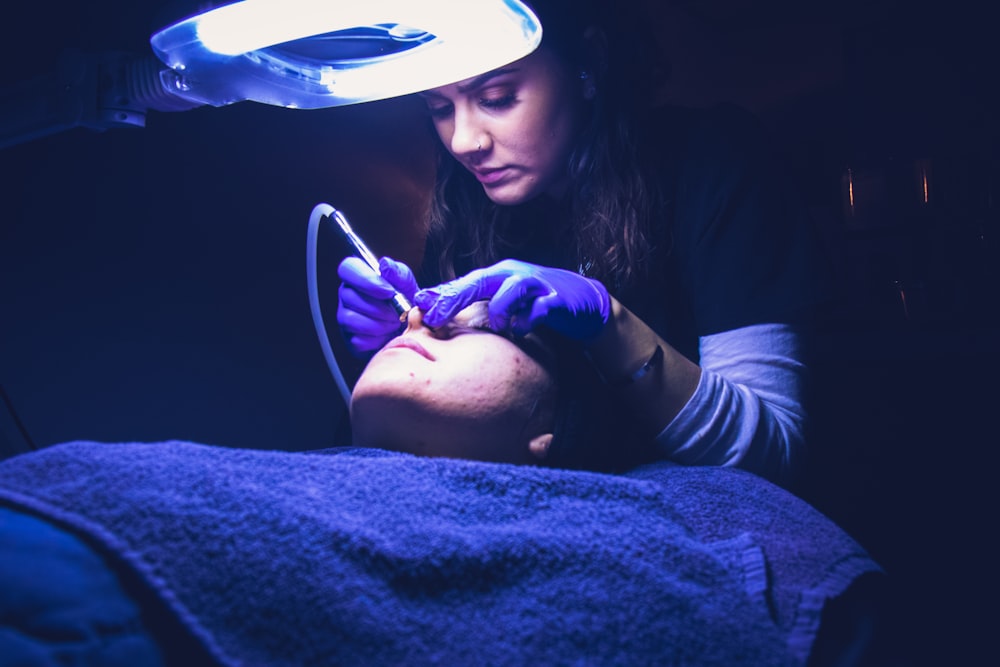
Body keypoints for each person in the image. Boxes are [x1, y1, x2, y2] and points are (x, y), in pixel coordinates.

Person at [337, 0, 830, 487]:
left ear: (587, 64)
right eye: (439, 108)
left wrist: (608, 325)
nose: (464, 141)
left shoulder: (713, 166)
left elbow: (775, 453)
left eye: (497, 97)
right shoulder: (469, 202)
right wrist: (400, 337)